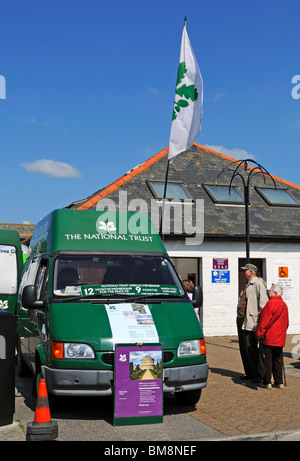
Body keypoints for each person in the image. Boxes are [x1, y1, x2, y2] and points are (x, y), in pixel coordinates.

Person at [236, 263, 269, 383]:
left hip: (251, 321)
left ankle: (257, 374)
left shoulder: (258, 284)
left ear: (252, 272)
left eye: (246, 271)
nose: (244, 272)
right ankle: (249, 372)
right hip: (241, 320)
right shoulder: (247, 284)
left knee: (251, 349)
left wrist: (259, 322)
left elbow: (263, 304)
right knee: (244, 348)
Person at [257, 283, 289, 389]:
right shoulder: (284, 305)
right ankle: (278, 381)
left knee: (268, 359)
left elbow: (264, 321)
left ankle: (267, 382)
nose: (268, 292)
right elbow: (286, 323)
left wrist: (259, 333)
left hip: (270, 336)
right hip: (280, 337)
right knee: (278, 359)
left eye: (270, 291)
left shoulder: (270, 304)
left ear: (275, 293)